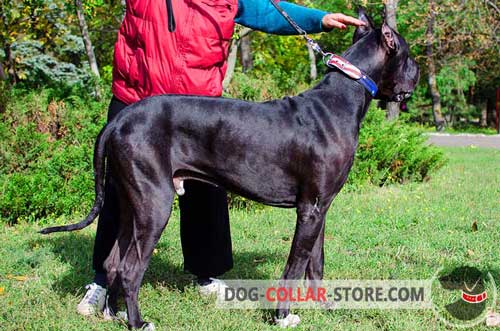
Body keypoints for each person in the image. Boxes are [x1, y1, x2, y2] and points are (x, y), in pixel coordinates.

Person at [77, 0, 365, 316]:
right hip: (138, 99)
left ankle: (205, 274)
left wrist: (319, 19)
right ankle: (103, 283)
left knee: (206, 199)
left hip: (200, 105)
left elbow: (264, 11)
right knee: (122, 202)